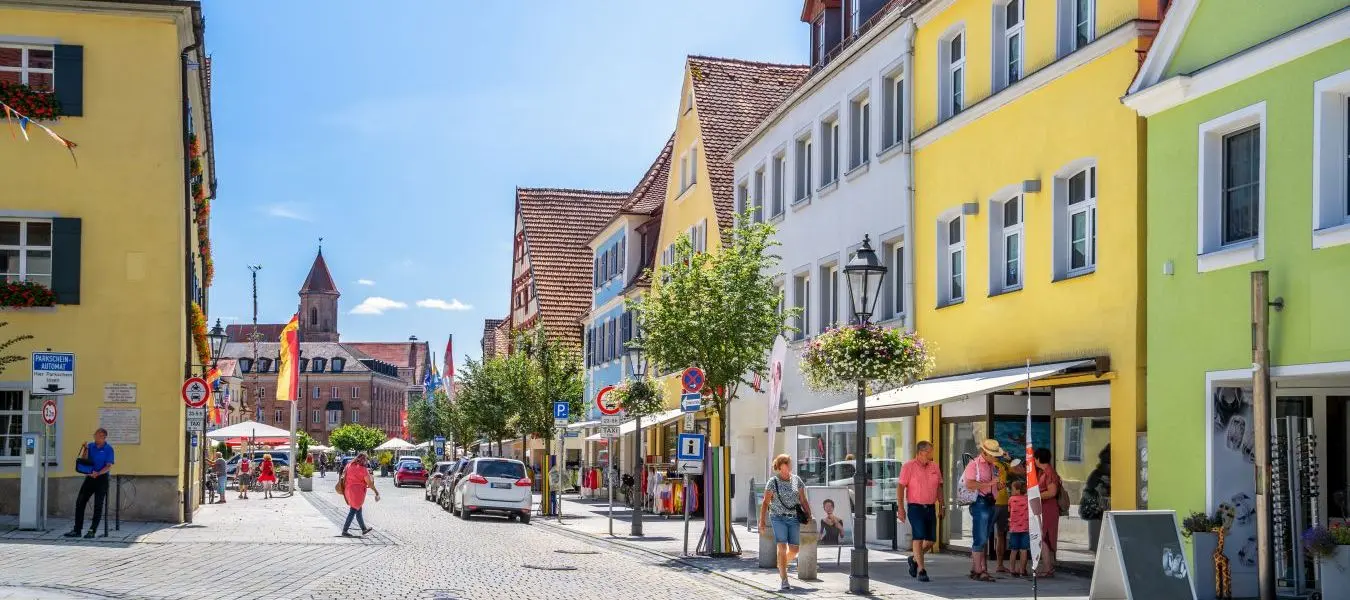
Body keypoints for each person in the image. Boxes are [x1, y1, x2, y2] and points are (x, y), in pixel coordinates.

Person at [760, 453, 811, 592]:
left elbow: (803, 500)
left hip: (794, 518)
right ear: (781, 465)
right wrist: (762, 522)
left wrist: (809, 514)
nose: (790, 465)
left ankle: (781, 564)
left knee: (794, 550)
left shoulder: (796, 480)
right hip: (778, 517)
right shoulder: (773, 481)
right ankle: (784, 579)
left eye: (790, 463)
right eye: (788, 463)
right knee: (782, 548)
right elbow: (765, 502)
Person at [897, 440, 942, 582]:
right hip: (915, 507)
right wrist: (901, 508)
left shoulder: (935, 466)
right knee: (918, 537)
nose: (932, 453)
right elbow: (900, 488)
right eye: (930, 451)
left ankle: (914, 559)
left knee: (930, 541)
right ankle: (922, 570)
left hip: (930, 507)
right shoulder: (908, 466)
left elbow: (939, 487)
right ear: (922, 452)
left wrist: (942, 505)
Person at [963, 439, 1006, 582]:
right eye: (993, 455)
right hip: (980, 503)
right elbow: (969, 484)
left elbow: (994, 485)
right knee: (980, 537)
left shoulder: (992, 466)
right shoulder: (973, 464)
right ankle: (978, 570)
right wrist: (989, 484)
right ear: (984, 453)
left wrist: (998, 486)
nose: (995, 458)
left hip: (991, 502)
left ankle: (978, 568)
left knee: (984, 537)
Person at [65, 428, 114, 539]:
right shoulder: (91, 446)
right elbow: (84, 460)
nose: (95, 437)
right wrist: (85, 449)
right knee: (80, 502)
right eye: (94, 435)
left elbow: (108, 466)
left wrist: (98, 473)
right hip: (90, 478)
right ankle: (77, 530)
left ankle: (92, 530)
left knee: (98, 505)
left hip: (102, 479)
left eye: (97, 436)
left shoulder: (108, 449)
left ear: (103, 437)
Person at [1033, 447, 1062, 577]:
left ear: (1038, 458)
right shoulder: (1044, 472)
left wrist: (1036, 496)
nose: (1034, 460)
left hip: (1048, 508)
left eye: (1035, 458)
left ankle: (1047, 568)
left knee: (1044, 537)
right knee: (1045, 537)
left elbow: (1052, 492)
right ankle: (1048, 566)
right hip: (1044, 507)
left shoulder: (1049, 473)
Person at [340, 452, 379, 537]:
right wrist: (376, 492)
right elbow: (370, 483)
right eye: (366, 460)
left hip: (348, 490)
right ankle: (345, 530)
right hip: (357, 492)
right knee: (353, 510)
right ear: (364, 460)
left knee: (358, 510)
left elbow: (343, 475)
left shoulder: (349, 465)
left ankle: (363, 529)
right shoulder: (363, 469)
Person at [1007, 480, 1030, 577]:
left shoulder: (1011, 499)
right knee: (1023, 550)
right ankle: (1022, 570)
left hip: (1014, 529)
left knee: (1013, 550)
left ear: (1017, 490)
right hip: (1025, 529)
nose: (1011, 491)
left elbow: (1009, 510)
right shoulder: (1027, 499)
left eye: (1012, 489)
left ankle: (1012, 570)